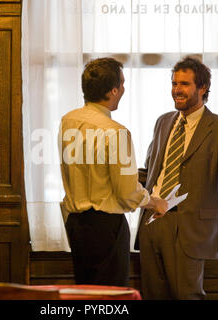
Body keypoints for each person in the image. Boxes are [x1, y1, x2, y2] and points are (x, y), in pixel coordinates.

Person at [135, 56, 218, 299]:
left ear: (202, 88)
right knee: (152, 295)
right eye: (174, 83)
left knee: (187, 296)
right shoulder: (163, 122)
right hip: (152, 222)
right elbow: (150, 171)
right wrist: (120, 177)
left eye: (184, 84)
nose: (176, 90)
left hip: (189, 228)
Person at [59, 57, 168, 287]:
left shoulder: (67, 121)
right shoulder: (116, 133)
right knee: (110, 296)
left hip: (76, 225)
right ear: (113, 90)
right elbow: (127, 193)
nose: (124, 89)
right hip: (106, 228)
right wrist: (154, 202)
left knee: (86, 295)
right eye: (123, 84)